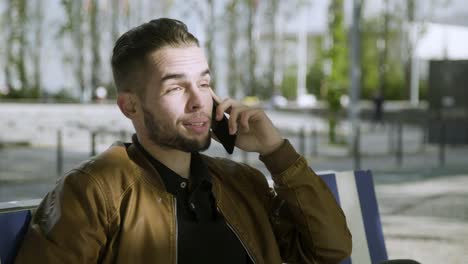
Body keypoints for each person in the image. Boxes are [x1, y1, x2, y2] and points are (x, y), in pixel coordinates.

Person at [15, 18, 351, 264]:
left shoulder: (242, 183)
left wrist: (276, 151)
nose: (198, 102)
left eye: (204, 84)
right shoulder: (94, 191)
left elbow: (330, 250)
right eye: (176, 87)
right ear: (130, 105)